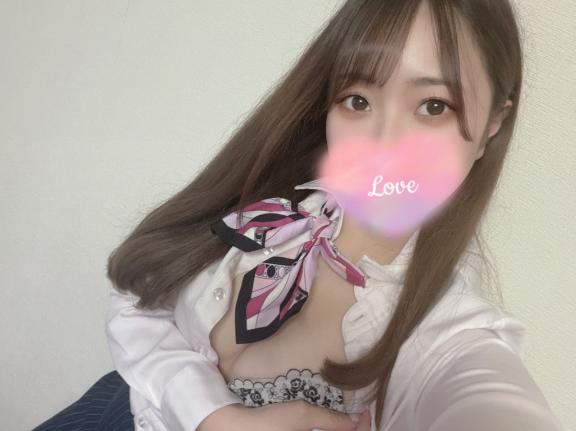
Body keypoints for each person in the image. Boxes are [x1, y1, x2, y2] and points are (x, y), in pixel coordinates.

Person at [34, 0, 566, 430]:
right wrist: (208, 415)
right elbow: (137, 297)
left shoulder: (447, 338)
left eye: (433, 106)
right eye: (358, 100)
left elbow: (488, 402)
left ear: (494, 122)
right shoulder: (277, 205)